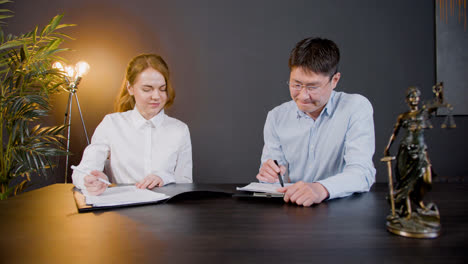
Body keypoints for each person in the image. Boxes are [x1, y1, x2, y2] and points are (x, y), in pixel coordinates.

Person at [256, 37, 376, 206]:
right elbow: (274, 178)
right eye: (296, 84)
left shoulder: (355, 108)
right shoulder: (276, 117)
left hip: (343, 211)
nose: (303, 96)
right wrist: (270, 176)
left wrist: (320, 189)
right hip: (293, 211)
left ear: (334, 80)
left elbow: (363, 173)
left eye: (312, 87)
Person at [72, 54, 192, 195]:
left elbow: (185, 181)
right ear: (130, 88)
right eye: (147, 89)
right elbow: (82, 171)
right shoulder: (112, 124)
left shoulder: (179, 130)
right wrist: (90, 180)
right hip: (125, 209)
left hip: (167, 208)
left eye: (162, 89)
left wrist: (163, 178)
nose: (156, 96)